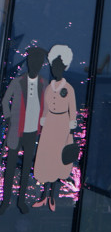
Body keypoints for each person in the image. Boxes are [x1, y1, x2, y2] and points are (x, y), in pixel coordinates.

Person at [0, 47, 48, 215]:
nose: (36, 65)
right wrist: (9, 118)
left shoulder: (43, 83)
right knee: (11, 167)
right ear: (29, 62)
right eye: (33, 61)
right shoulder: (17, 81)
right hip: (17, 130)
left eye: (39, 62)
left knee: (26, 168)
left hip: (32, 132)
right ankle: (5, 201)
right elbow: (5, 101)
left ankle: (20, 201)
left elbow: (46, 106)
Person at [32, 48, 76, 211]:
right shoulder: (49, 88)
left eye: (58, 66)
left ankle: (52, 196)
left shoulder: (68, 88)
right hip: (50, 123)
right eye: (53, 66)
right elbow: (45, 107)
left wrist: (70, 128)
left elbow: (73, 109)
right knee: (47, 158)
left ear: (64, 67)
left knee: (58, 159)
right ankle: (44, 195)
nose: (55, 69)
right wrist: (43, 122)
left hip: (62, 124)